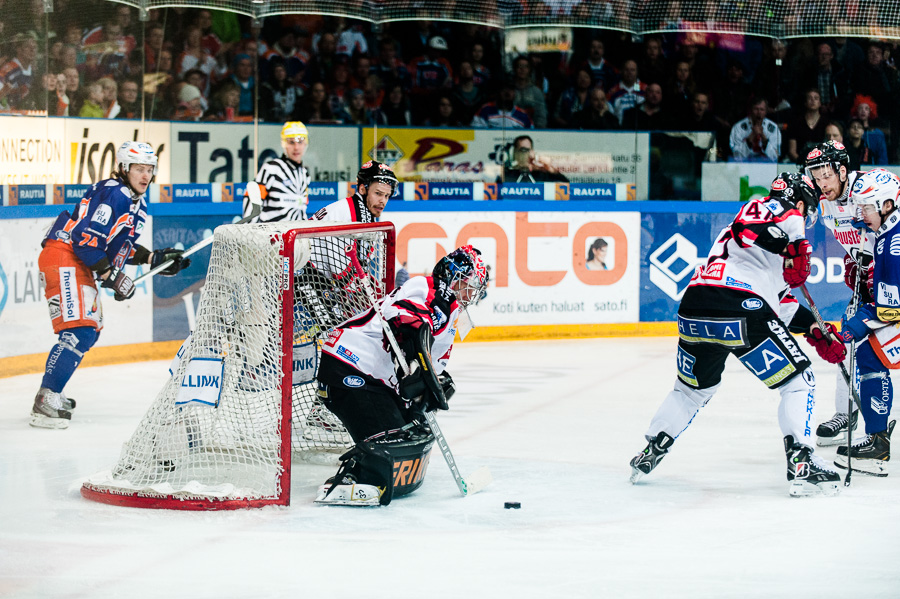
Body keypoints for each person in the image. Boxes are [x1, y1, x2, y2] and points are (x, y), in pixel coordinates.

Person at [629, 173, 844, 497]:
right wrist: (795, 242)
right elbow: (760, 222)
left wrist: (814, 329)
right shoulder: (777, 212)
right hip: (740, 306)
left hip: (696, 305)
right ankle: (802, 460)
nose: (808, 217)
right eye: (809, 208)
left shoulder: (752, 240)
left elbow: (780, 306)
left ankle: (652, 449)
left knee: (690, 391)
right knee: (799, 382)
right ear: (801, 202)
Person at [31, 142, 190, 429]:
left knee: (88, 331)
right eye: (139, 169)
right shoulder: (115, 194)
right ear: (124, 168)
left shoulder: (133, 200)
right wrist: (111, 277)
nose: (145, 175)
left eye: (150, 169)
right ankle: (46, 397)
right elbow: (85, 241)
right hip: (65, 254)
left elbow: (115, 247)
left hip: (75, 258)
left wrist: (153, 258)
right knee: (79, 330)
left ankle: (53, 389)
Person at [314, 246, 489, 505]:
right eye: (468, 283)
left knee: (411, 431)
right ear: (452, 276)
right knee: (388, 445)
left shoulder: (451, 314)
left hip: (376, 380)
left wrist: (433, 385)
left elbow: (433, 367)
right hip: (348, 365)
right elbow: (405, 319)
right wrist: (418, 359)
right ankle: (348, 478)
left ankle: (371, 459)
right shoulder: (425, 286)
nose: (472, 292)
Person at [803, 141, 872, 445]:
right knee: (849, 339)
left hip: (891, 276)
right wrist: (853, 260)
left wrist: (876, 264)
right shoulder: (825, 202)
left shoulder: (868, 190)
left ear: (843, 171)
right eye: (816, 178)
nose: (821, 184)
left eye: (826, 176)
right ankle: (847, 414)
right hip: (873, 285)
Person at [837, 168, 900, 475]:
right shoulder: (887, 232)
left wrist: (854, 326)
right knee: (869, 355)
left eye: (865, 206)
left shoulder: (892, 244)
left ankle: (878, 442)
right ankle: (878, 437)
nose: (860, 212)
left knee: (869, 356)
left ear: (886, 205)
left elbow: (891, 311)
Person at [243, 121, 311, 222]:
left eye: (300, 142)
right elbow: (252, 199)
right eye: (291, 142)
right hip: (271, 235)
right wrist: (248, 232)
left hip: (295, 235)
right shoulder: (271, 168)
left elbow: (301, 209)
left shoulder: (304, 173)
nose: (296, 147)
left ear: (305, 144)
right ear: (284, 144)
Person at [729, 97, 781, 163]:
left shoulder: (773, 128)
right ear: (751, 110)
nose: (759, 112)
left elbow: (775, 157)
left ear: (766, 111)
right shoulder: (738, 127)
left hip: (767, 166)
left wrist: (763, 138)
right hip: (744, 165)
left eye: (762, 109)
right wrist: (751, 136)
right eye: (756, 109)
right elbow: (737, 156)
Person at [502, 135, 568, 183]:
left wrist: (550, 169)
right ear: (515, 152)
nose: (526, 154)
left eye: (529, 150)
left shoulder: (541, 174)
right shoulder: (507, 174)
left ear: (532, 152)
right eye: (523, 150)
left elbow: (566, 184)